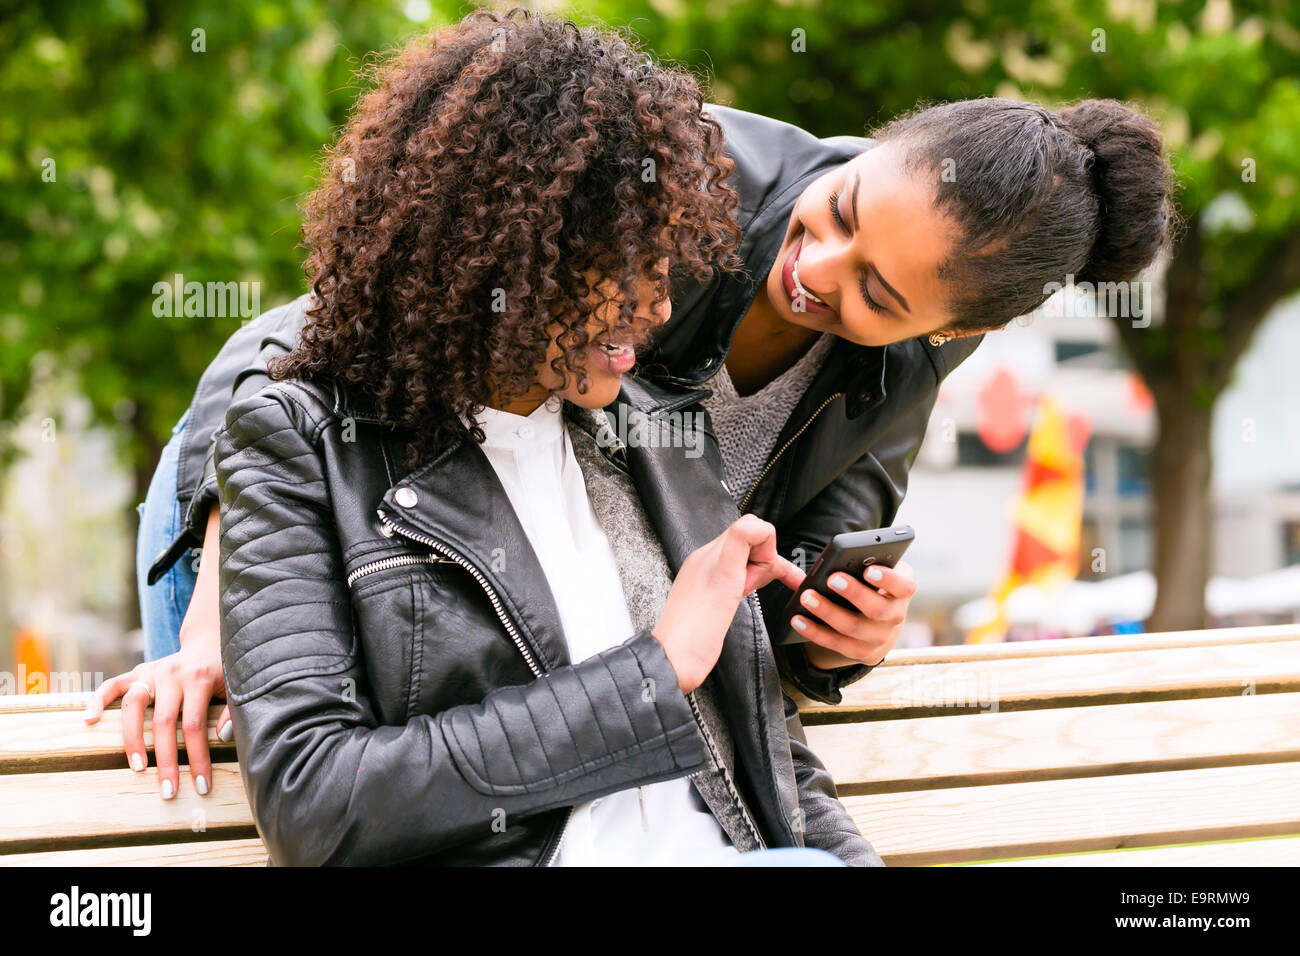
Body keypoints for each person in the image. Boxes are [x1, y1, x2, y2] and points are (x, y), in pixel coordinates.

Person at [92, 12, 1177, 808]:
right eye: (839, 208)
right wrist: (215, 624)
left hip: (514, 658)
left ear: (947, 332)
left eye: (878, 295)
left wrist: (842, 639)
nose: (819, 268)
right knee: (203, 790)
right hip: (262, 517)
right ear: (875, 145)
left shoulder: (902, 373)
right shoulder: (673, 167)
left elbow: (768, 605)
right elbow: (301, 359)